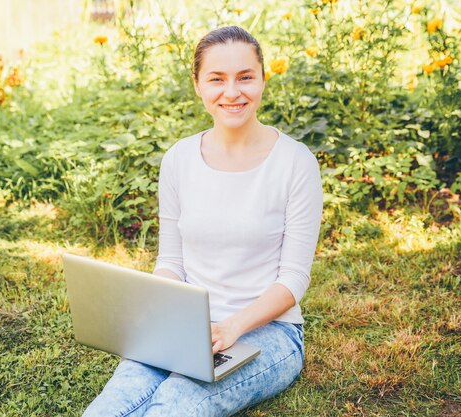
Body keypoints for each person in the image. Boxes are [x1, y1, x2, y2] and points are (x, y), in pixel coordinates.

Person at [83, 25, 323, 417]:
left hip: (270, 334)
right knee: (108, 408)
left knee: (175, 405)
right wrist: (156, 313)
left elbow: (293, 279)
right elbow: (172, 262)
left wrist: (232, 327)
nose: (232, 92)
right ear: (197, 85)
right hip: (187, 328)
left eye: (245, 77)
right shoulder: (178, 159)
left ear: (263, 79)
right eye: (216, 79)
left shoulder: (296, 163)